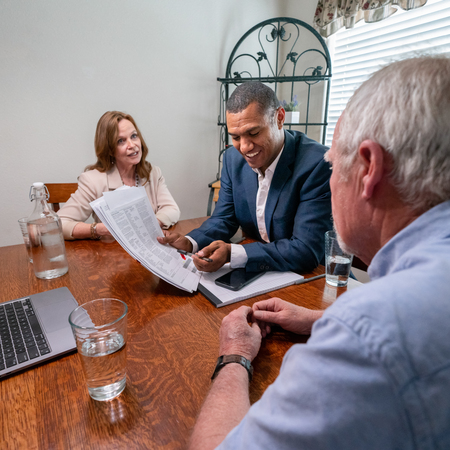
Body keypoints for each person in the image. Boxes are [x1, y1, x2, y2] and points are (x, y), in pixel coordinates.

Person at [188, 56, 450, 449]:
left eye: (334, 164)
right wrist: (319, 320)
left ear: (369, 167)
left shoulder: (364, 334)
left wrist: (235, 356)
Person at [158, 82, 332, 273]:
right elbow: (224, 218)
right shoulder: (233, 159)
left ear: (280, 118)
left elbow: (305, 251)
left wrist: (234, 253)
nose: (244, 147)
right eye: (235, 137)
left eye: (254, 133)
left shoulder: (317, 164)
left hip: (316, 279)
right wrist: (190, 242)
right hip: (264, 272)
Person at [58, 111, 180, 240]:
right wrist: (98, 229)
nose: (132, 145)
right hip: (113, 255)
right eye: (121, 141)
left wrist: (149, 224)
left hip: (149, 248)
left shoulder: (152, 173)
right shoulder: (92, 180)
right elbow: (59, 224)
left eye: (134, 136)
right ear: (109, 149)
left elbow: (172, 209)